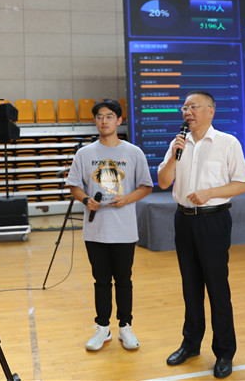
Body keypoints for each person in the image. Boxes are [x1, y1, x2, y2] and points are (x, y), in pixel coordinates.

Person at [158, 91, 245, 379]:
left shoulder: (227, 142)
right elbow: (163, 182)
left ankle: (224, 352)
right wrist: (174, 157)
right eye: (184, 107)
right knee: (190, 287)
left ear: (210, 111)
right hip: (183, 220)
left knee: (217, 288)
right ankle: (190, 344)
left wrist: (210, 193)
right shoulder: (178, 143)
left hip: (213, 220)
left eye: (193, 106)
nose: (187, 112)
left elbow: (243, 183)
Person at [66, 99, 153, 352]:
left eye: (109, 116)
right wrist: (86, 200)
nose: (104, 121)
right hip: (96, 231)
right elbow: (74, 185)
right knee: (101, 280)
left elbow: (146, 186)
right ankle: (102, 327)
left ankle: (125, 326)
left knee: (124, 280)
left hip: (124, 230)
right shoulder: (84, 154)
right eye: (99, 117)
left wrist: (127, 199)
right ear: (95, 121)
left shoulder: (133, 152)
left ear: (119, 120)